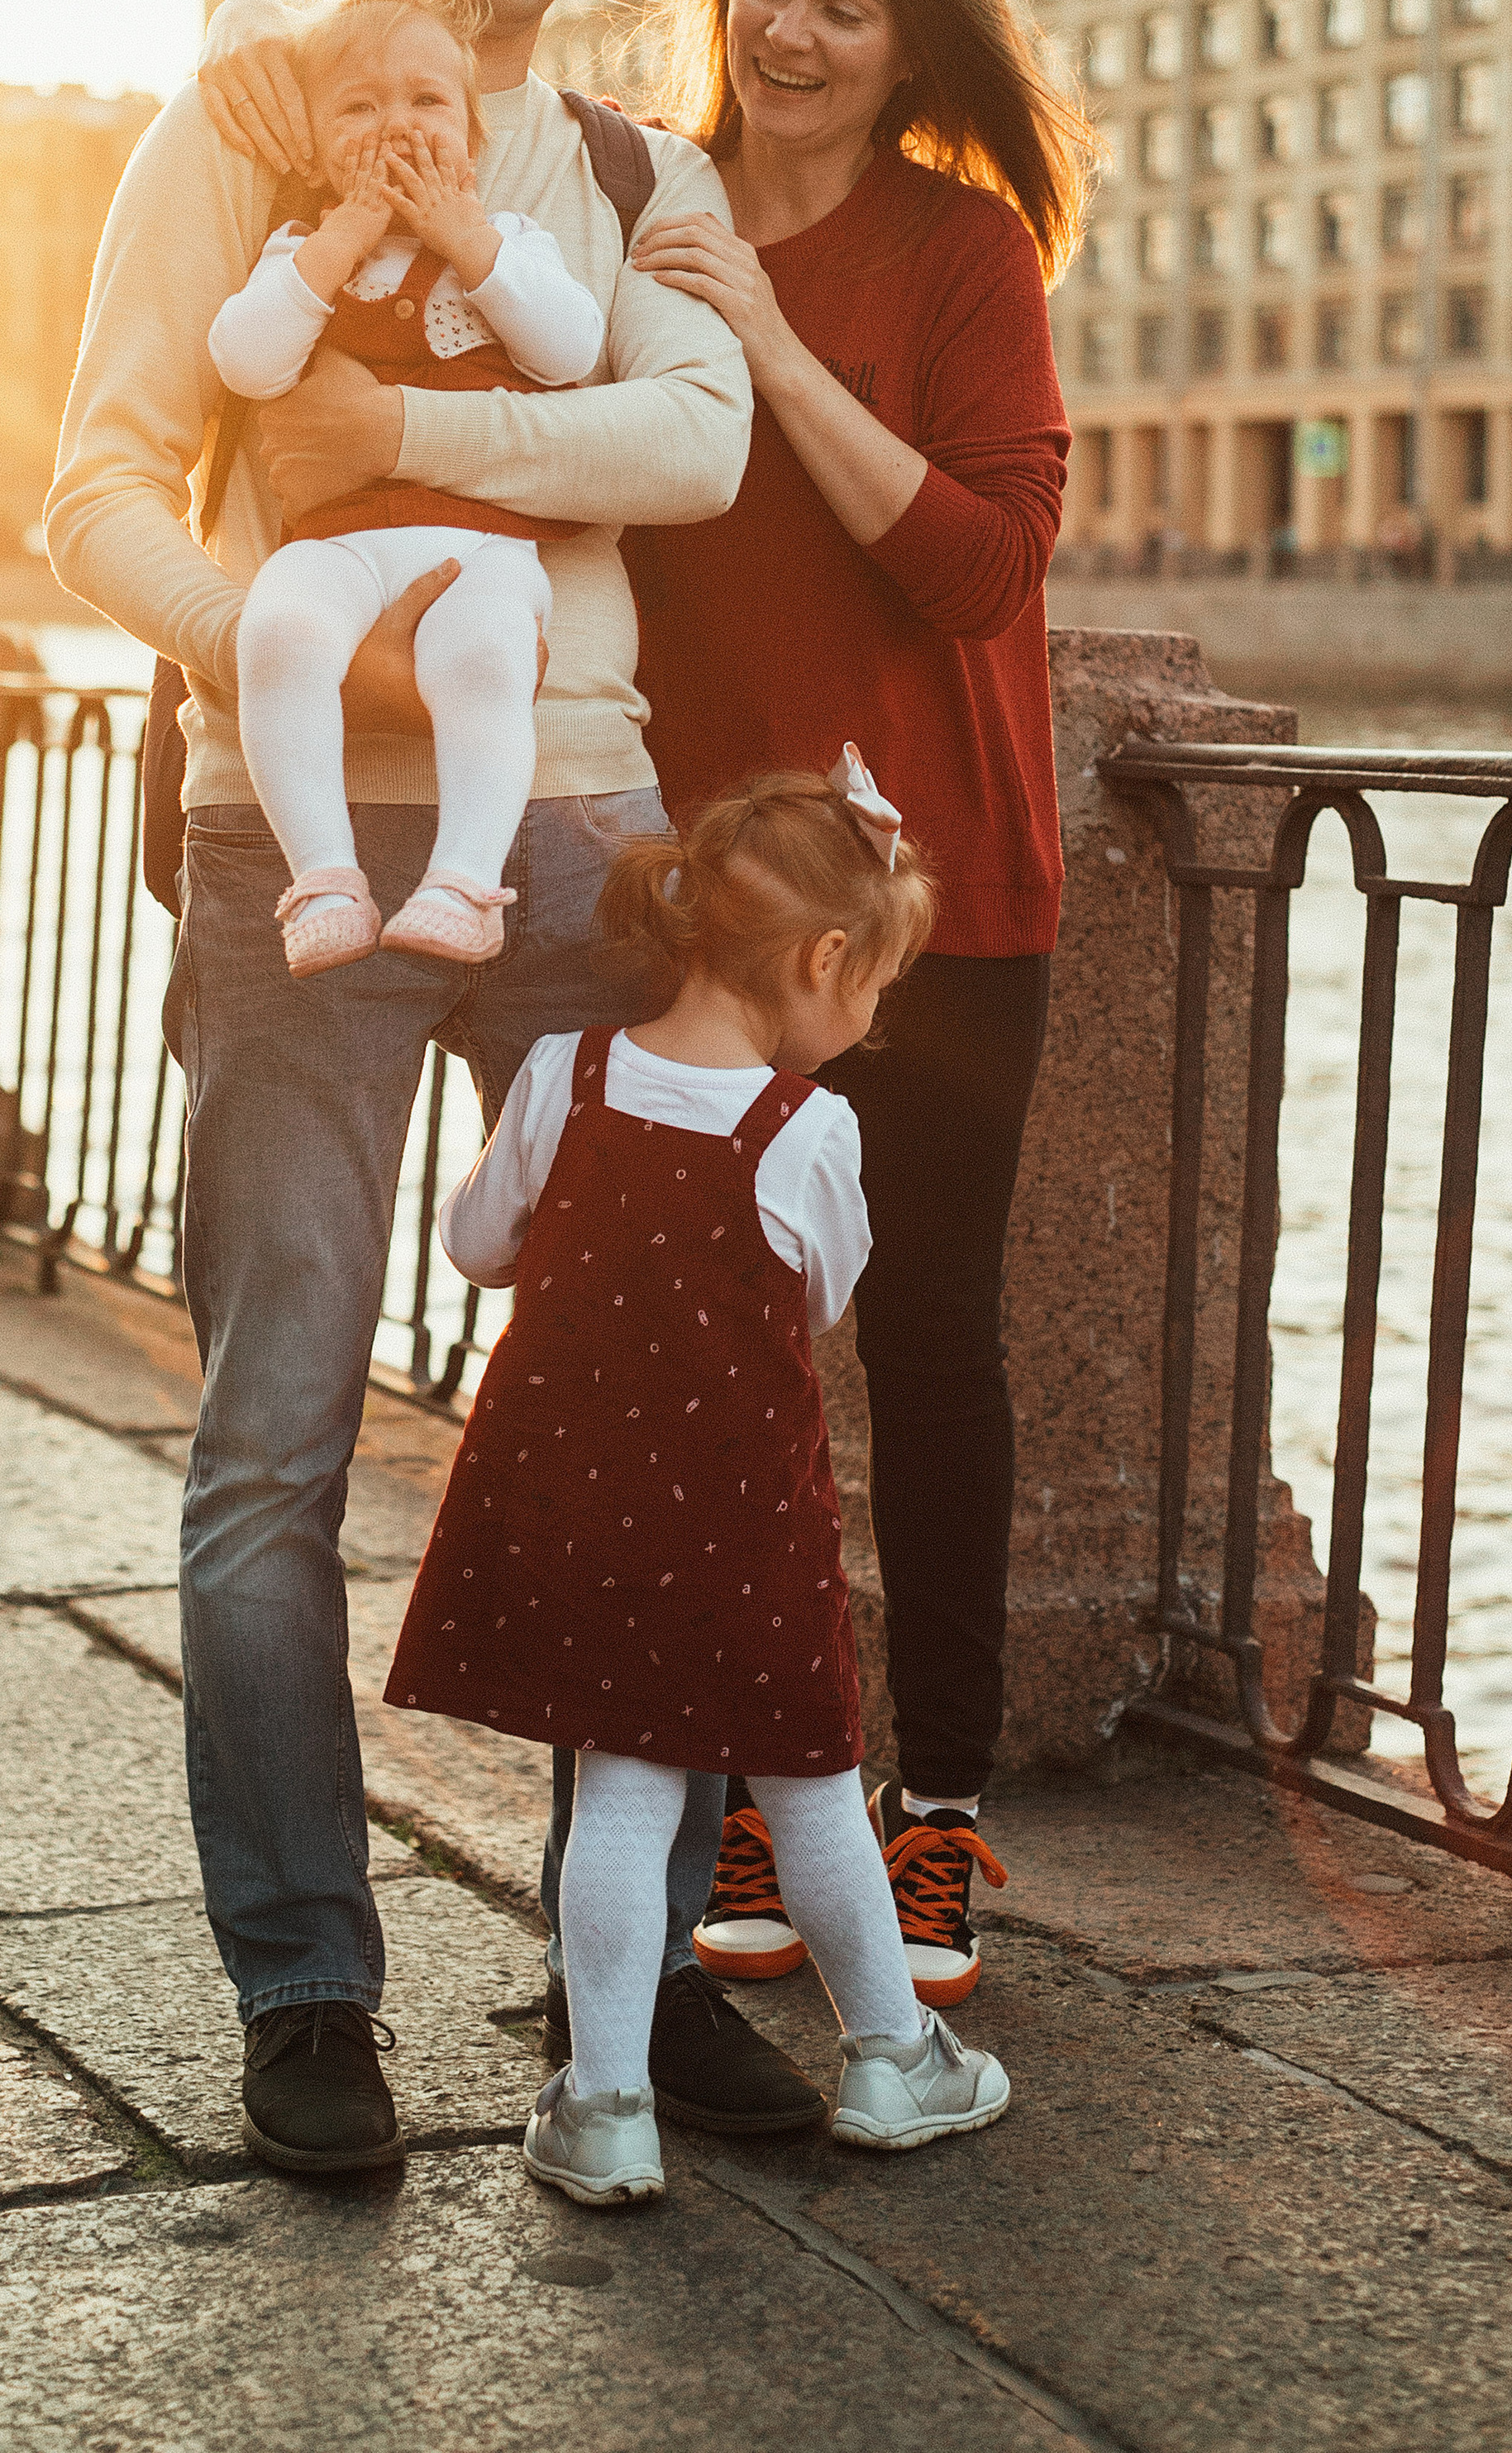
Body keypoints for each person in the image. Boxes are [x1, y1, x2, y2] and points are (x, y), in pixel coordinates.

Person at [47, 0, 824, 2176]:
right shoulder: (241, 129)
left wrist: (387, 456)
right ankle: (306, 1989)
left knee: (671, 1394)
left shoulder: (622, 162)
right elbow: (89, 490)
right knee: (277, 1424)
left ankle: (635, 1960)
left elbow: (689, 446)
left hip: (584, 836)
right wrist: (291, 646)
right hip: (294, 838)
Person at [622, 0, 1095, 2009]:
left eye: (843, 5)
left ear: (908, 43)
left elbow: (988, 565)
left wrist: (779, 351)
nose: (788, 33)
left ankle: (936, 1818)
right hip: (720, 897)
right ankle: (741, 1780)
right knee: (721, 1361)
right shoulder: (640, 211)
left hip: (947, 889)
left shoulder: (960, 248)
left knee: (928, 1342)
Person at [389, 770, 1010, 2207]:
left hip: (578, 1505)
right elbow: (820, 1304)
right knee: (809, 1785)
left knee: (620, 1791)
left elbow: (477, 1243)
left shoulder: (567, 1072)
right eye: (882, 985)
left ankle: (604, 2107)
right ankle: (892, 2058)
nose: (874, 1021)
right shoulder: (808, 1132)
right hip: (740, 1523)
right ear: (821, 964)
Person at [207, 0, 603, 975]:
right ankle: (324, 879)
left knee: (486, 658)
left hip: (481, 550)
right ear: (316, 141)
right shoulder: (299, 252)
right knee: (279, 630)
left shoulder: (511, 244)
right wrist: (338, 239)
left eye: (427, 102)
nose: (396, 124)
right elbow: (247, 360)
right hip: (334, 545)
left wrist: (468, 239)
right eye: (359, 105)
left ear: (471, 137)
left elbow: (568, 350)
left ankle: (466, 882)